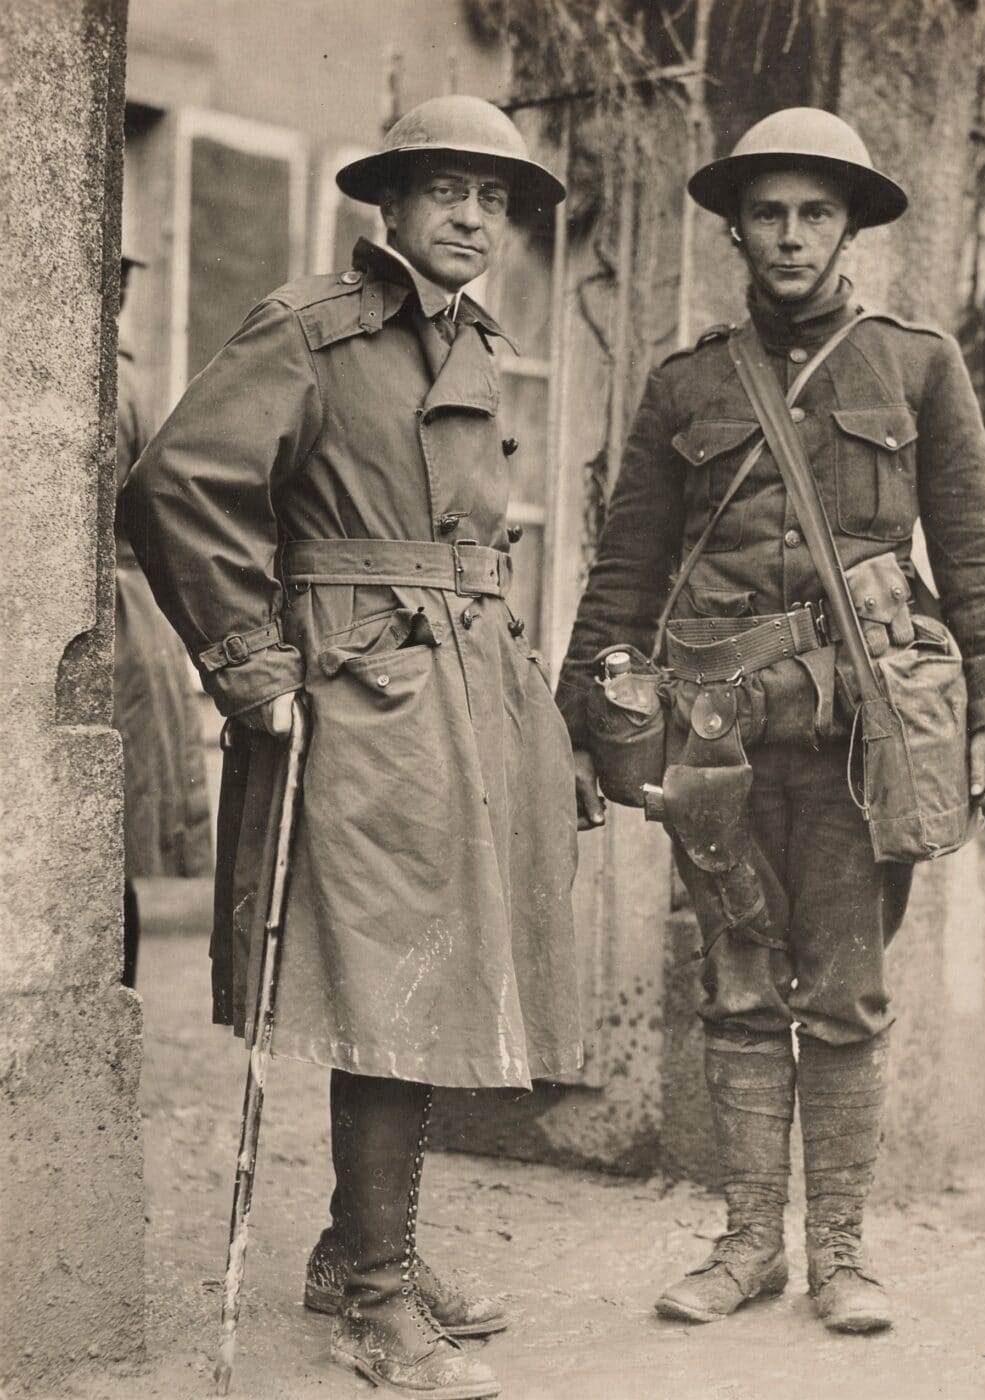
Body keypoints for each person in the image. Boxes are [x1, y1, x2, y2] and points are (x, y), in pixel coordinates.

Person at [121, 96, 581, 1399]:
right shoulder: (312, 329)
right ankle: (375, 1302)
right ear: (386, 205)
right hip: (356, 693)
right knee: (389, 979)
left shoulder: (477, 342)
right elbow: (178, 484)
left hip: (464, 690)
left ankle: (357, 1247)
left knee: (434, 972)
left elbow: (477, 546)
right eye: (443, 189)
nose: (469, 217)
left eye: (490, 198)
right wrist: (252, 666)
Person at [556, 108, 985, 1335]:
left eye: (814, 211)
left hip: (858, 736)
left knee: (845, 993)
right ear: (733, 228)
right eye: (767, 212)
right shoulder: (686, 383)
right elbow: (626, 571)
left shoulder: (913, 363)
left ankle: (840, 1255)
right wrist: (600, 726)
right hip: (714, 735)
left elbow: (976, 547)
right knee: (733, 984)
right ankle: (743, 1246)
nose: (789, 235)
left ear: (850, 226)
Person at [113, 251, 213, 989]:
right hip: (136, 622)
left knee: (98, 846)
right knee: (110, 852)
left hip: (113, 624)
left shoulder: (104, 380)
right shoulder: (132, 380)